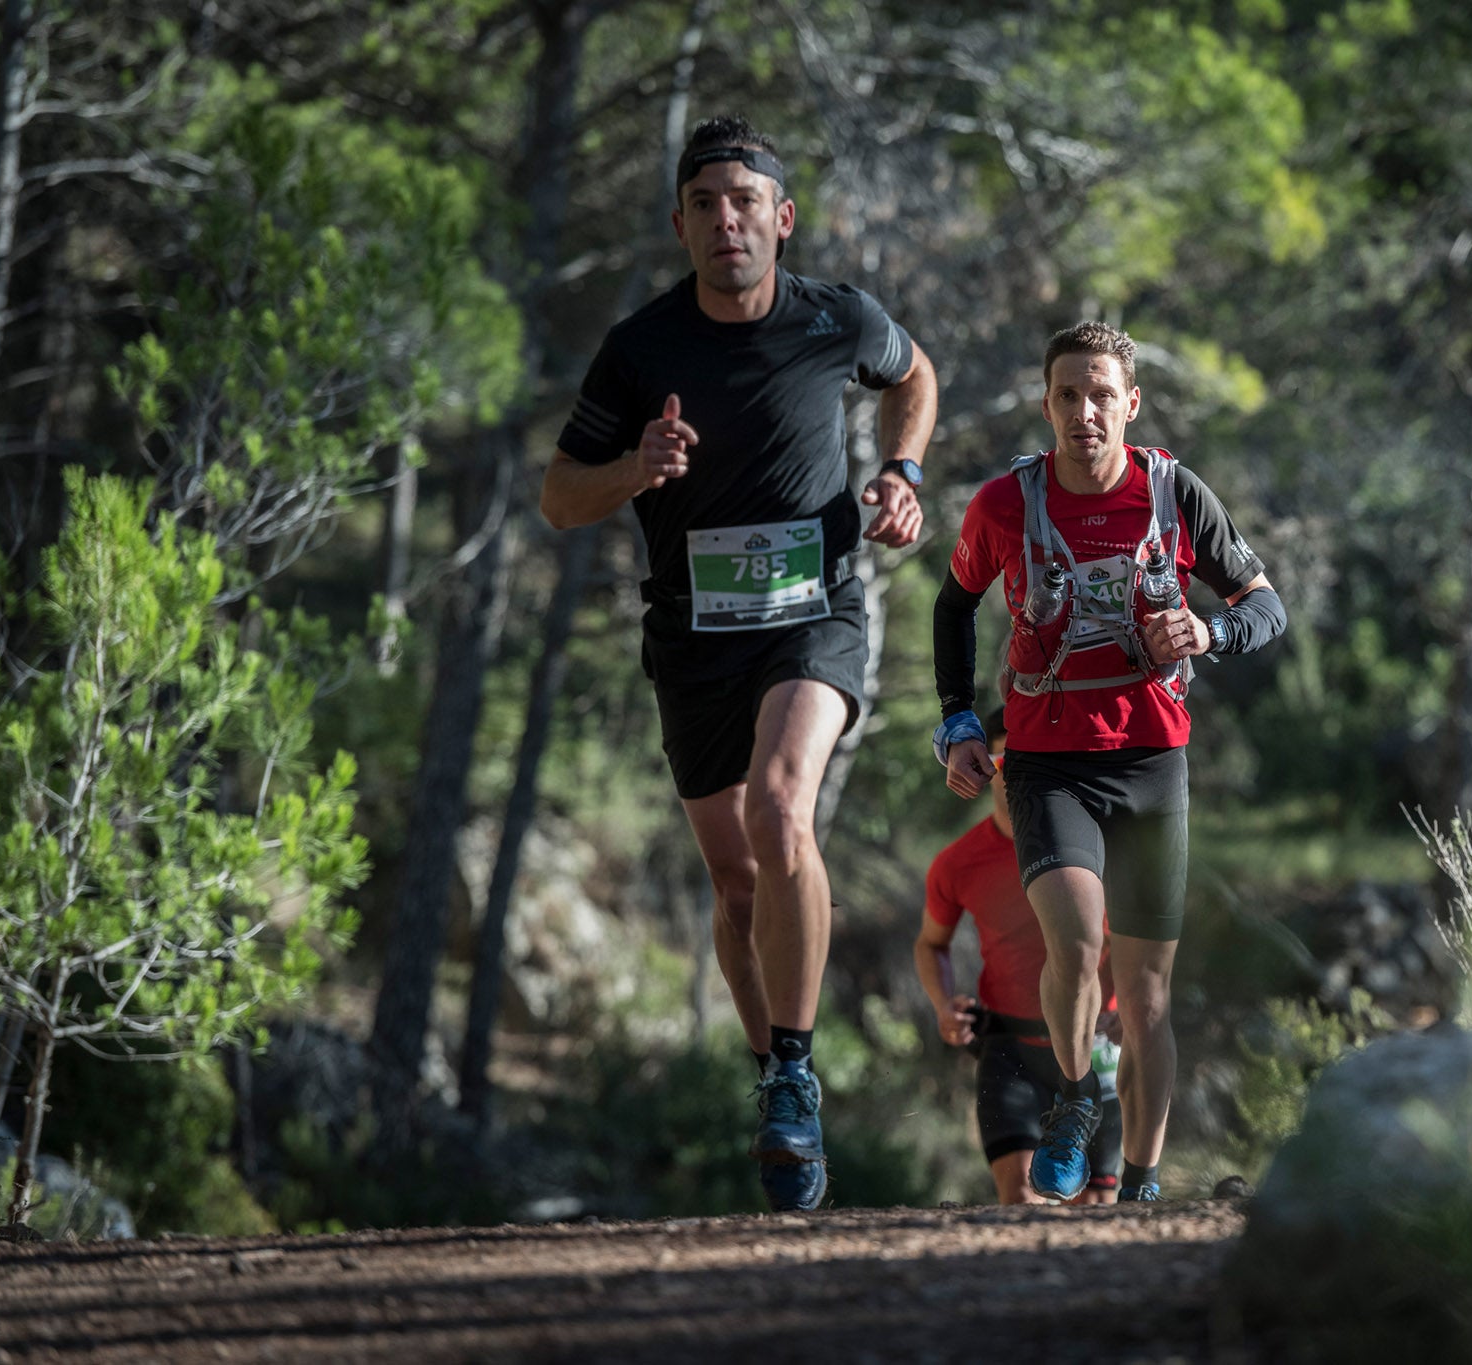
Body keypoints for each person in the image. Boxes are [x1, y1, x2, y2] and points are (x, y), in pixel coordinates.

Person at [540, 115, 938, 1212]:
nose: (727, 219)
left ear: (781, 218)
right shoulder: (640, 349)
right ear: (681, 225)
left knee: (780, 811)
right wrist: (633, 466)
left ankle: (798, 1073)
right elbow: (557, 496)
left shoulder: (835, 318)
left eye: (745, 200)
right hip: (691, 638)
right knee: (734, 883)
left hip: (813, 615)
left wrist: (902, 475)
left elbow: (914, 378)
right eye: (705, 203)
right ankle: (771, 1074)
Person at [930, 321, 1286, 1203]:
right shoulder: (1005, 504)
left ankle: (1141, 1184)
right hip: (1046, 763)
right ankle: (1080, 1092)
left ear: (1131, 402)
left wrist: (1212, 628)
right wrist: (956, 722)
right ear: (1046, 403)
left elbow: (1266, 603)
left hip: (1153, 762)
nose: (1083, 412)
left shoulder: (1174, 494)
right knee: (1079, 943)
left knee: (1151, 993)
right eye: (1066, 395)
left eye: (1100, 394)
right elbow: (953, 605)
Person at [915, 707, 1123, 1205]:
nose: (1018, 768)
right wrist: (944, 1004)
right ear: (984, 763)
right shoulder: (957, 862)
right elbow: (931, 944)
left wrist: (1129, 1005)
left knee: (1097, 1206)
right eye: (1006, 758)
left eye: (1031, 755)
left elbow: (1136, 941)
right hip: (1009, 1047)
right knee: (1020, 1196)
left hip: (1096, 1043)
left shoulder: (1097, 848)